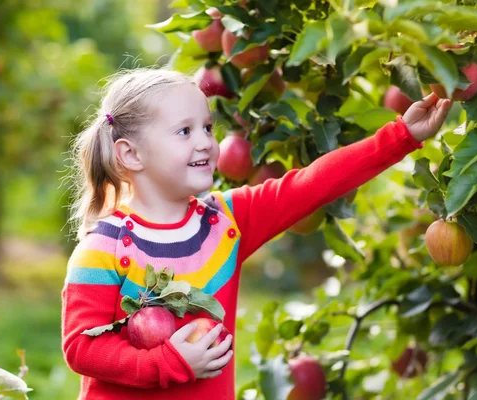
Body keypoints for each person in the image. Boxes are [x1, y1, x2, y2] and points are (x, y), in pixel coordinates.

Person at [61, 67, 452, 400]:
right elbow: (81, 347)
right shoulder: (103, 248)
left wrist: (402, 136)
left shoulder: (223, 221)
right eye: (184, 131)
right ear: (131, 154)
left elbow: (312, 184)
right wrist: (165, 363)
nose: (206, 142)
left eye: (208, 127)